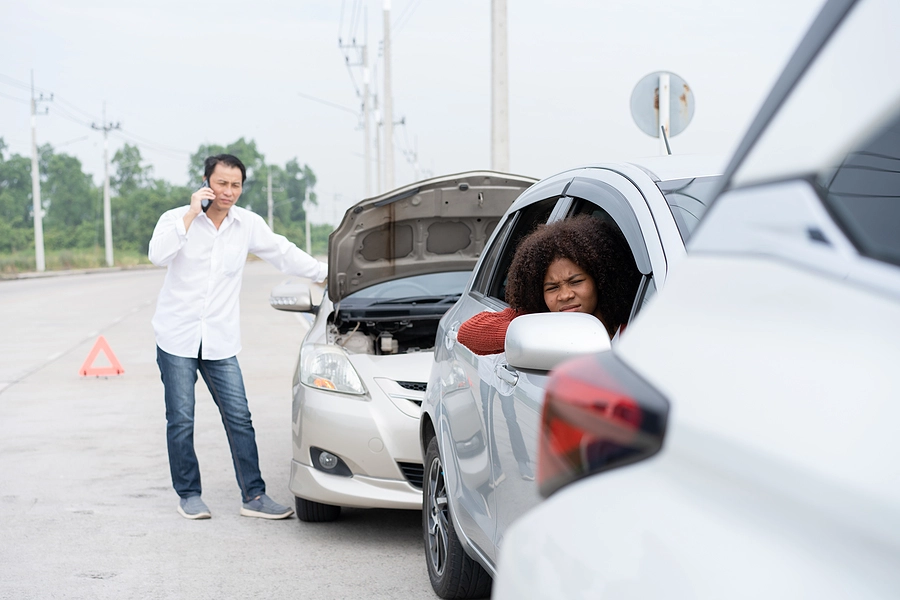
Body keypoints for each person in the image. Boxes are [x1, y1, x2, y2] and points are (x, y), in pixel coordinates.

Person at [148, 154, 327, 520]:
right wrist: (190, 214)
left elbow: (283, 253)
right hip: (176, 336)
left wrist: (328, 274)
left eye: (235, 185)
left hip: (219, 339)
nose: (228, 192)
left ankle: (254, 496)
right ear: (205, 182)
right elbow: (157, 255)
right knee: (181, 418)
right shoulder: (175, 219)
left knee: (239, 417)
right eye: (221, 183)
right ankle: (189, 494)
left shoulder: (246, 224)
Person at [458, 215, 640, 355]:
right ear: (538, 293)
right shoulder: (538, 316)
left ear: (601, 280)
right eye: (552, 288)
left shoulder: (637, 326)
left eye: (575, 282)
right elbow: (468, 332)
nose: (565, 295)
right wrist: (543, 332)